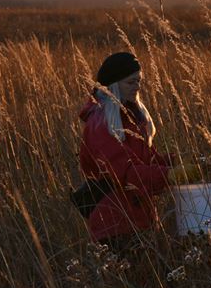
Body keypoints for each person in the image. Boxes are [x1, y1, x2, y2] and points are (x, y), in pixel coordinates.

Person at [77, 51, 202, 254]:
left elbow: (147, 160)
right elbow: (127, 174)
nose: (138, 87)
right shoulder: (101, 123)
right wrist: (170, 175)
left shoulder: (129, 117)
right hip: (114, 226)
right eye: (131, 82)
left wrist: (176, 162)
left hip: (138, 218)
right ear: (113, 86)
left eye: (139, 81)